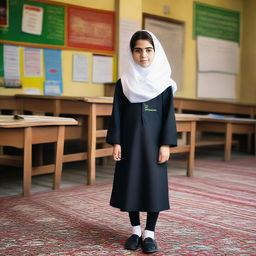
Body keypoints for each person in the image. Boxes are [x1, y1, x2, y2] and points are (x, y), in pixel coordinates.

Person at [106, 30, 177, 254]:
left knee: (153, 186)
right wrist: (116, 141)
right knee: (131, 185)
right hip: (130, 144)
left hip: (155, 145)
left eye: (148, 50)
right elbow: (116, 113)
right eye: (138, 50)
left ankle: (150, 234)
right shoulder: (124, 83)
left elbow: (168, 116)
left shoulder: (164, 84)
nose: (143, 55)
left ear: (155, 52)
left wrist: (166, 144)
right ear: (132, 53)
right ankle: (136, 231)